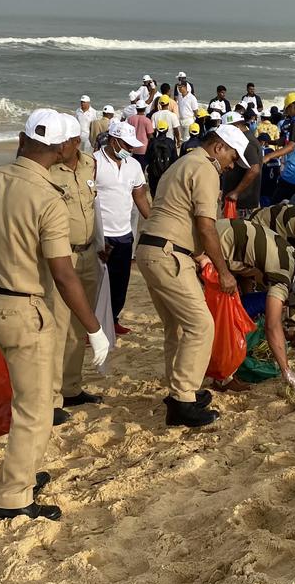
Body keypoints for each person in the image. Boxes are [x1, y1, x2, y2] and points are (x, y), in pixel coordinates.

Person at [0, 108, 110, 520]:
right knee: (35, 408)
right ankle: (13, 497)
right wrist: (95, 329)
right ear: (61, 148)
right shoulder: (48, 198)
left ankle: (21, 473)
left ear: (24, 139)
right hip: (25, 309)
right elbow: (63, 274)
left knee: (27, 399)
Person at [135, 124, 250, 426]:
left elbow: (178, 214)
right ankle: (183, 399)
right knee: (200, 325)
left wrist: (198, 255)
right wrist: (224, 271)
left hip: (151, 249)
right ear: (219, 147)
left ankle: (179, 393)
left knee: (176, 327)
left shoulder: (182, 163)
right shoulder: (206, 169)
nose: (231, 165)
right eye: (233, 157)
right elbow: (206, 225)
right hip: (169, 254)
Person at [212, 218, 295, 390]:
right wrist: (286, 371)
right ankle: (220, 377)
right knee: (214, 322)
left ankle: (223, 375)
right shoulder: (282, 274)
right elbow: (271, 326)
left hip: (218, 236)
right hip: (208, 245)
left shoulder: (292, 256)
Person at [47, 114, 105, 420]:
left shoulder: (89, 164)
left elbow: (93, 207)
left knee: (79, 326)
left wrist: (101, 242)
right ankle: (53, 397)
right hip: (61, 257)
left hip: (88, 255)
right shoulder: (45, 169)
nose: (57, 147)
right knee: (58, 326)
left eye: (62, 142)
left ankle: (71, 388)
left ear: (74, 142)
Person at [95, 122, 150, 336]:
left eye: (132, 146)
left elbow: (140, 197)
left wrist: (154, 222)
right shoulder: (94, 162)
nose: (131, 150)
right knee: (98, 283)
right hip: (101, 234)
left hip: (125, 234)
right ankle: (94, 326)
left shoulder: (134, 165)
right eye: (127, 145)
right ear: (113, 140)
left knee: (120, 280)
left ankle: (114, 319)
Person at [220, 110, 264, 219]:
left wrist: (236, 192)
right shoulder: (244, 138)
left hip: (242, 203)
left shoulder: (246, 142)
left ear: (236, 127)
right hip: (238, 200)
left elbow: (254, 169)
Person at [126, 100, 155, 167]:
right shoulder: (147, 120)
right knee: (141, 168)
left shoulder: (130, 119)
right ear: (144, 109)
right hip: (143, 148)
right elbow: (150, 135)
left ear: (136, 108)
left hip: (132, 147)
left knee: (133, 167)